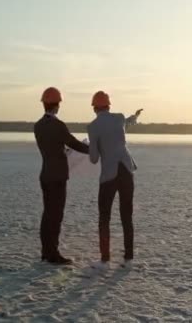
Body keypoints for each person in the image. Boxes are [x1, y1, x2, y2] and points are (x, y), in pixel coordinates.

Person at [87, 90, 143, 270]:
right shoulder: (118, 118)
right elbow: (126, 123)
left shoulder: (93, 126)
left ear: (94, 107)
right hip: (126, 170)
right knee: (127, 215)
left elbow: (94, 158)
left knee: (104, 217)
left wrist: (90, 147)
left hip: (109, 175)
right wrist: (135, 116)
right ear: (108, 106)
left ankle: (105, 259)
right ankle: (129, 257)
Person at [34, 87, 89, 265]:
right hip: (58, 177)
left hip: (45, 174)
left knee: (47, 214)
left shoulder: (38, 126)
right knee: (56, 215)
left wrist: (62, 151)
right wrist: (94, 149)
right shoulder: (58, 126)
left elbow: (52, 148)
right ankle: (53, 254)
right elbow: (74, 144)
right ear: (57, 105)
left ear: (44, 104)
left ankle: (46, 251)